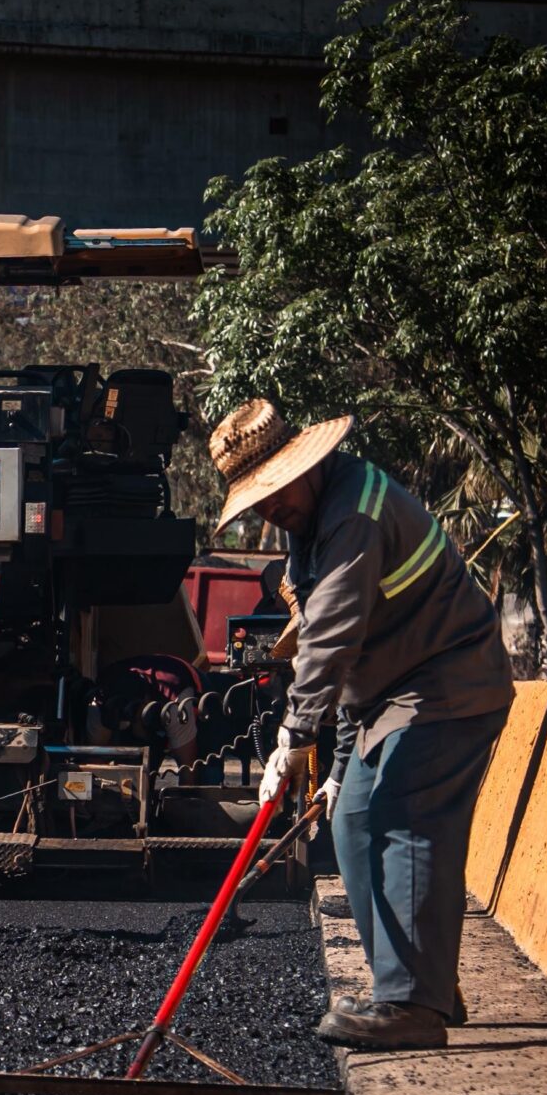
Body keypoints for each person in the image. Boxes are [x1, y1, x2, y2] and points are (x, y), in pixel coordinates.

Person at [209, 399, 514, 1050]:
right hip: (389, 696)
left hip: (449, 682)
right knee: (348, 821)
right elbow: (351, 665)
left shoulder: (355, 511)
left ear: (308, 465)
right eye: (258, 501)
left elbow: (332, 635)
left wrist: (294, 736)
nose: (271, 508)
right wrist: (337, 767)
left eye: (275, 490)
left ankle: (411, 1006)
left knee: (403, 812)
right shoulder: (307, 526)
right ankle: (419, 983)